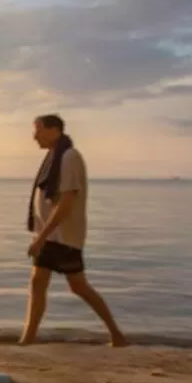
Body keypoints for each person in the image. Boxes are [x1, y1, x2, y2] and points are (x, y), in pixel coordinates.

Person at [20, 114, 128, 347]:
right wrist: (40, 235)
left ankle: (116, 335)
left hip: (63, 236)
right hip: (50, 236)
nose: (34, 136)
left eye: (38, 130)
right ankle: (27, 339)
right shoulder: (53, 157)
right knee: (38, 282)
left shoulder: (69, 157)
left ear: (54, 130)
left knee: (78, 286)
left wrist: (43, 236)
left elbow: (67, 201)